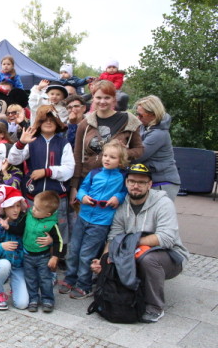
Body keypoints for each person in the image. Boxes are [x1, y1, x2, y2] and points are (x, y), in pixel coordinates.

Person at [91, 163, 188, 323]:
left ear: (149, 184)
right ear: (126, 182)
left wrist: (130, 244)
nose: (136, 186)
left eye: (141, 182)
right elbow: (114, 237)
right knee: (110, 258)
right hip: (134, 253)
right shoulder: (122, 205)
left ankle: (155, 307)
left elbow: (166, 238)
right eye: (132, 181)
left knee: (148, 259)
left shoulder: (163, 203)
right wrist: (103, 260)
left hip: (170, 256)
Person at [60, 140, 128, 299]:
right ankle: (70, 278)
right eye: (105, 155)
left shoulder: (122, 177)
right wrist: (82, 196)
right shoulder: (94, 173)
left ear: (120, 161)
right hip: (83, 216)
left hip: (101, 221)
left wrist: (118, 197)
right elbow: (83, 188)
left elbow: (125, 192)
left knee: (87, 254)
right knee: (74, 249)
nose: (107, 159)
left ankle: (84, 284)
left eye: (112, 157)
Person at [8, 105, 75, 245]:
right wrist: (20, 143)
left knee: (59, 229)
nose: (48, 122)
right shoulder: (31, 141)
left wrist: (46, 172)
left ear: (57, 122)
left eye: (52, 119)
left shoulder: (64, 143)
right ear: (38, 122)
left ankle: (59, 254)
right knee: (33, 227)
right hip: (34, 195)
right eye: (44, 119)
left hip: (57, 198)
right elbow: (13, 160)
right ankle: (34, 252)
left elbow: (69, 169)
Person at [70, 80, 143, 204]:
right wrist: (74, 186)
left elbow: (139, 150)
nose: (102, 101)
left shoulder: (128, 121)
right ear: (93, 98)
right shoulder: (85, 123)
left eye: (107, 97)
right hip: (88, 182)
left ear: (114, 99)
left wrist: (122, 153)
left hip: (115, 184)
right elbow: (77, 155)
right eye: (98, 97)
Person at [22, 190, 65, 313]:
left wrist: (55, 257)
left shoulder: (52, 225)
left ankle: (48, 299)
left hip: (43, 257)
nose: (33, 209)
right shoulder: (29, 215)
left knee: (45, 279)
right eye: (34, 206)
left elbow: (59, 241)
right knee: (30, 279)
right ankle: (33, 299)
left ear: (47, 214)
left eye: (37, 209)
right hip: (27, 255)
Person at [0, 186, 29, 310]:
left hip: (18, 266)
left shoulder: (23, 222)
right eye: (11, 206)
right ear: (4, 208)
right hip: (1, 263)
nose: (16, 210)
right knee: (4, 265)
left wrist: (49, 240)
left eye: (18, 206)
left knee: (22, 304)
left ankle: (14, 288)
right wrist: (2, 246)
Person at [134, 96, 180, 201]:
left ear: (153, 115)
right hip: (151, 179)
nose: (137, 118)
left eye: (141, 115)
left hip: (163, 182)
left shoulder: (159, 134)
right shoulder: (144, 127)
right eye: (137, 114)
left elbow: (138, 156)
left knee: (158, 211)